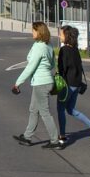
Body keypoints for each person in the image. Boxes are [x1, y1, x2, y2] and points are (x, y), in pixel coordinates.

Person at [12, 21, 62, 149]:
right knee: (33, 110)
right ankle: (27, 136)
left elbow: (30, 67)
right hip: (46, 81)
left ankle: (55, 141)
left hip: (41, 83)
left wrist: (18, 83)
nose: (31, 32)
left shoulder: (39, 47)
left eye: (33, 30)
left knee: (44, 112)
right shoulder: (48, 45)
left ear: (39, 32)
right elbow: (52, 64)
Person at [56, 25, 90, 143]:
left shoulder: (64, 50)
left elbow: (62, 69)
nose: (59, 36)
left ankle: (62, 135)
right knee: (70, 109)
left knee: (60, 109)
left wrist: (57, 83)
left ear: (66, 36)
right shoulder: (75, 49)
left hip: (67, 85)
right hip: (77, 84)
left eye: (60, 34)